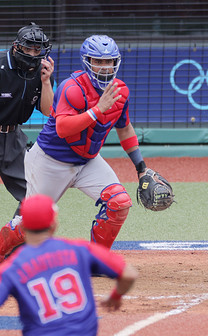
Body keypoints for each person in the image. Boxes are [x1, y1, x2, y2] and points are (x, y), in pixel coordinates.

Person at [0, 34, 154, 262]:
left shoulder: (120, 92)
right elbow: (62, 128)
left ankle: (95, 260)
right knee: (30, 223)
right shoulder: (71, 87)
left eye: (108, 61)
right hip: (50, 161)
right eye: (98, 61)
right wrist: (97, 110)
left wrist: (141, 167)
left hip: (87, 160)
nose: (104, 67)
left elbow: (125, 129)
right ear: (87, 61)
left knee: (119, 203)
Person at [0, 194, 138, 335]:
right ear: (54, 225)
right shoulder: (79, 249)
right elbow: (129, 274)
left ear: (23, 226)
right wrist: (115, 297)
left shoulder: (12, 268)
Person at [0, 22, 54, 217]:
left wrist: (47, 82)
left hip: (12, 139)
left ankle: (12, 244)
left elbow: (48, 111)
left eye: (37, 49)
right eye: (28, 48)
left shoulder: (41, 72)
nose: (32, 53)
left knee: (34, 197)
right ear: (16, 46)